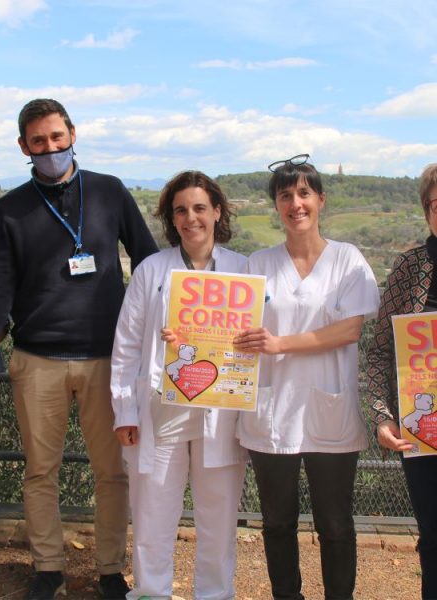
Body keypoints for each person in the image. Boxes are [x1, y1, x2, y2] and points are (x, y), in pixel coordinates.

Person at [0, 98, 158, 599]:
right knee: (40, 472)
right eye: (38, 141)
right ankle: (48, 568)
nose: (50, 147)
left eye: (57, 137)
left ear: (73, 134)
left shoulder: (109, 191)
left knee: (112, 474)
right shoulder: (10, 210)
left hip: (109, 361)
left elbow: (149, 265)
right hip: (37, 361)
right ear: (24, 146)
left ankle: (110, 569)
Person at [234, 155, 379, 600]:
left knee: (335, 524)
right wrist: (183, 336)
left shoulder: (347, 260)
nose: (295, 203)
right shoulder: (258, 263)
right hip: (273, 410)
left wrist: (280, 343)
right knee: (277, 522)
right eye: (285, 196)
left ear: (321, 199)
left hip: (328, 409)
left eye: (303, 193)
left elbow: (349, 330)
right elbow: (232, 329)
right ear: (276, 205)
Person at [111, 170, 248, 599]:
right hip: (161, 411)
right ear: (172, 219)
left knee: (219, 518)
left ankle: (215, 594)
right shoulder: (151, 270)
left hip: (221, 413)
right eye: (181, 210)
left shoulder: (243, 270)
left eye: (200, 208)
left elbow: (256, 342)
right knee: (152, 514)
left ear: (217, 212)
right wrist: (124, 411)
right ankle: (151, 593)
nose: (191, 218)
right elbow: (127, 346)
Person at [366, 163, 437, 600]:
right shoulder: (410, 267)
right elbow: (379, 351)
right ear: (427, 210)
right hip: (424, 431)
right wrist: (381, 414)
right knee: (433, 537)